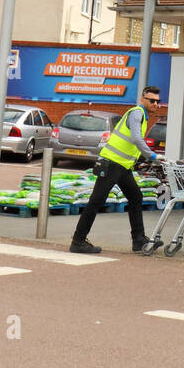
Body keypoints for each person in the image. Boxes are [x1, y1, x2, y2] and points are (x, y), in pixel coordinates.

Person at [70, 86, 163, 254]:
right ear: (143, 100)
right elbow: (136, 138)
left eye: (158, 101)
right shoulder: (137, 113)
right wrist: (152, 156)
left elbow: (131, 142)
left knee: (135, 197)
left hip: (122, 166)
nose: (155, 103)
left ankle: (138, 240)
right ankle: (78, 241)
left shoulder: (143, 116)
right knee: (96, 201)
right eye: (152, 100)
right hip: (112, 163)